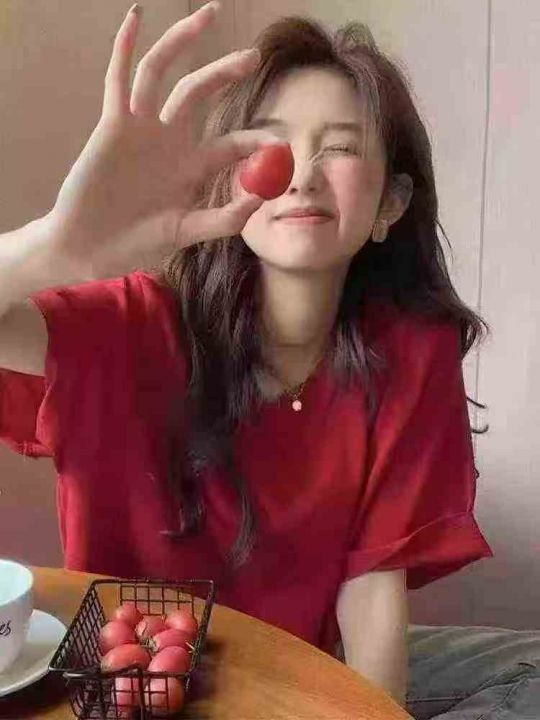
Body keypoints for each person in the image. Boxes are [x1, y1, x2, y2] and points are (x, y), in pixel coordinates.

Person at [0, 2, 539, 716]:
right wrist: (55, 246)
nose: (301, 174)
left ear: (390, 203)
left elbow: (372, 591)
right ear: (229, 181)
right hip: (142, 688)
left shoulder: (410, 349)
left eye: (339, 147)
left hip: (307, 668)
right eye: (270, 143)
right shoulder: (132, 325)